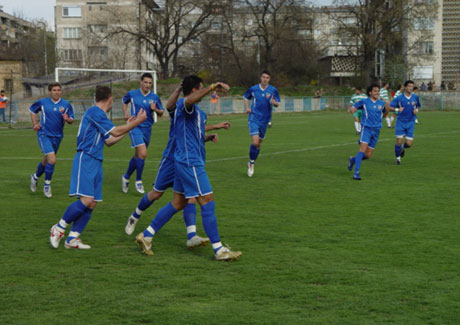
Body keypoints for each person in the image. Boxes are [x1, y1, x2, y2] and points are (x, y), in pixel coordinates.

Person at [134, 75, 241, 261]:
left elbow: (195, 133)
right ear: (195, 90)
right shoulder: (185, 105)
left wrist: (208, 137)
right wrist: (213, 86)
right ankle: (219, 250)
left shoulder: (199, 113)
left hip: (188, 161)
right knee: (207, 200)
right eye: (200, 88)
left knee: (179, 203)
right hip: (190, 162)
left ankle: (147, 235)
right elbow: (180, 103)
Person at [49, 86, 147, 249]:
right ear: (110, 99)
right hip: (85, 158)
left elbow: (109, 140)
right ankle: (59, 228)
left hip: (96, 160)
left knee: (92, 202)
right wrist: (136, 122)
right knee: (86, 199)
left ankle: (72, 239)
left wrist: (129, 126)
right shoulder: (95, 112)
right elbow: (115, 131)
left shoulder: (98, 116)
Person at [29, 83, 74, 198]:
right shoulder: (43, 102)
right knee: (52, 160)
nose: (57, 92)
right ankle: (47, 185)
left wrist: (67, 119)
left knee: (46, 161)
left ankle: (34, 177)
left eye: (59, 90)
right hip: (44, 134)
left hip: (58, 136)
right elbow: (32, 110)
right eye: (54, 90)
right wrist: (35, 124)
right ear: (49, 92)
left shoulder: (66, 104)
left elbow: (71, 119)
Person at [121, 73, 164, 194]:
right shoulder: (132, 94)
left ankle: (126, 177)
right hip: (135, 127)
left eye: (150, 83)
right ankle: (138, 181)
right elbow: (124, 101)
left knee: (138, 156)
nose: (148, 85)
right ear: (141, 82)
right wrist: (125, 114)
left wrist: (155, 109)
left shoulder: (154, 97)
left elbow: (161, 113)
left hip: (147, 128)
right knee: (143, 154)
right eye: (146, 82)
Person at [243, 70, 280, 177]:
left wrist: (275, 103)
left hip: (265, 120)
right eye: (263, 77)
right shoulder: (254, 89)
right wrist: (247, 107)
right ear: (260, 78)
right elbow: (245, 97)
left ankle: (251, 162)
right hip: (254, 118)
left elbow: (277, 103)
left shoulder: (273, 90)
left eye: (267, 77)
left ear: (269, 79)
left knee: (258, 144)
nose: (265, 79)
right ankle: (251, 164)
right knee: (255, 142)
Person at [347, 84, 388, 180]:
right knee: (362, 149)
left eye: (378, 91)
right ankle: (356, 173)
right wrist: (352, 109)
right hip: (366, 129)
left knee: (368, 155)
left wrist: (388, 109)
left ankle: (353, 160)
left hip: (377, 130)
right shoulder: (364, 102)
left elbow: (385, 114)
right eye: (375, 91)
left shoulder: (381, 103)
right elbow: (354, 107)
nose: (377, 92)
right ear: (370, 92)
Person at [389, 80, 421, 165]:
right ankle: (398, 158)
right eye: (409, 86)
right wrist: (397, 109)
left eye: (412, 86)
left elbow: (418, 106)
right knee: (399, 141)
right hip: (400, 122)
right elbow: (390, 107)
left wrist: (416, 110)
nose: (411, 88)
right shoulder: (399, 98)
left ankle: (402, 147)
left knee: (409, 144)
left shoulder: (415, 97)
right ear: (405, 87)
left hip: (411, 122)